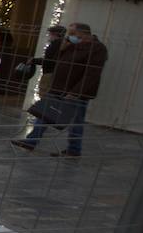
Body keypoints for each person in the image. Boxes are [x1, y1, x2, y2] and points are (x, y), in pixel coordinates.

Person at [13, 22, 108, 158]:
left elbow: (92, 74)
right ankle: (31, 142)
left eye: (72, 33)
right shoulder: (71, 45)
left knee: (76, 121)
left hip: (76, 93)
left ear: (83, 33)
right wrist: (65, 46)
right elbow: (58, 61)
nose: (69, 36)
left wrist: (75, 93)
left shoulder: (97, 49)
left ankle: (74, 150)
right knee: (44, 114)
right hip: (58, 88)